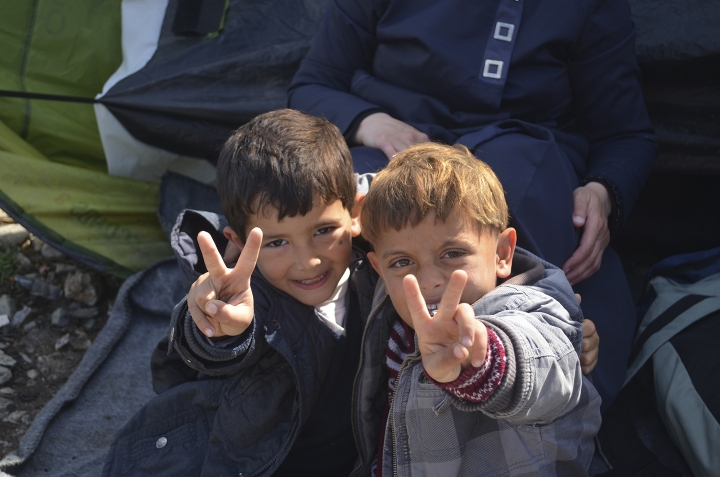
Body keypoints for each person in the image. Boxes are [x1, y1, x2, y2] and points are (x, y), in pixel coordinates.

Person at [102, 111, 598, 476]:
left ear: (355, 213)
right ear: (238, 243)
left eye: (323, 232)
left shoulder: (399, 263)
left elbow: (537, 339)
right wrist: (216, 328)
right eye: (275, 242)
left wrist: (500, 353)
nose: (307, 260)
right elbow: (190, 359)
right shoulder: (245, 290)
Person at [288, 0, 658, 409]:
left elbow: (625, 135)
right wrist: (370, 122)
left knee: (519, 201)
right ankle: (326, 387)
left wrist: (603, 191)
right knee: (333, 211)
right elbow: (314, 82)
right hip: (396, 144)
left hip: (524, 158)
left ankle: (528, 366)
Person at [356, 143, 600, 475]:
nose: (429, 282)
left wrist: (479, 359)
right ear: (378, 269)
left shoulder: (535, 313)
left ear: (502, 253)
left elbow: (543, 362)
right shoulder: (393, 324)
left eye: (452, 253)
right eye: (402, 262)